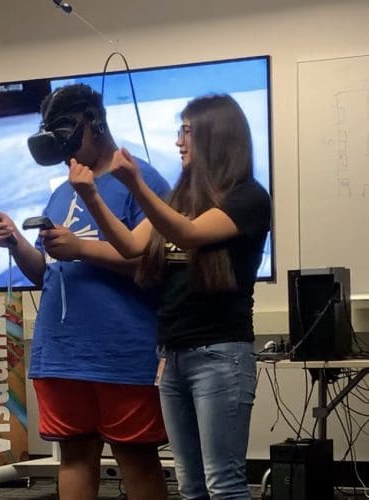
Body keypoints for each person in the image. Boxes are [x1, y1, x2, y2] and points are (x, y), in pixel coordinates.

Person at [68, 94, 271, 500]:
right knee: (191, 485)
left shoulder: (248, 197)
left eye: (187, 132)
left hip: (220, 355)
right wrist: (91, 195)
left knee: (224, 483)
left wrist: (136, 184)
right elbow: (130, 246)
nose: (179, 141)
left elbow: (189, 235)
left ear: (216, 137)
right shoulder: (180, 198)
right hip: (173, 355)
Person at [0, 83, 170, 500]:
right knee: (75, 456)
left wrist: (81, 248)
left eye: (66, 130)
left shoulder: (143, 182)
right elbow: (46, 274)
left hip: (120, 351)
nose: (62, 144)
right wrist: (15, 241)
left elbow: (152, 266)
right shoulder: (61, 191)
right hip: (61, 354)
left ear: (95, 123)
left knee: (136, 457)